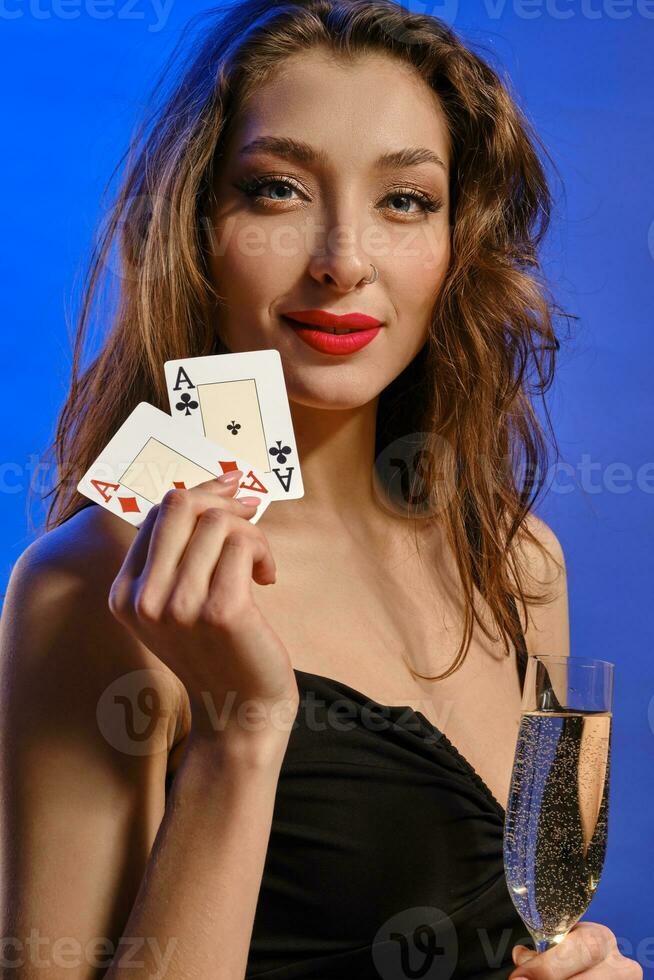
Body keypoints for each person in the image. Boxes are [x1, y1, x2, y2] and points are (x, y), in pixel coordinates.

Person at [0, 1, 640, 978]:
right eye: (277, 190)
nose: (343, 260)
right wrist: (238, 740)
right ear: (199, 229)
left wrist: (579, 963)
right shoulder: (93, 587)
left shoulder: (517, 565)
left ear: (454, 244)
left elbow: (525, 929)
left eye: (404, 200)